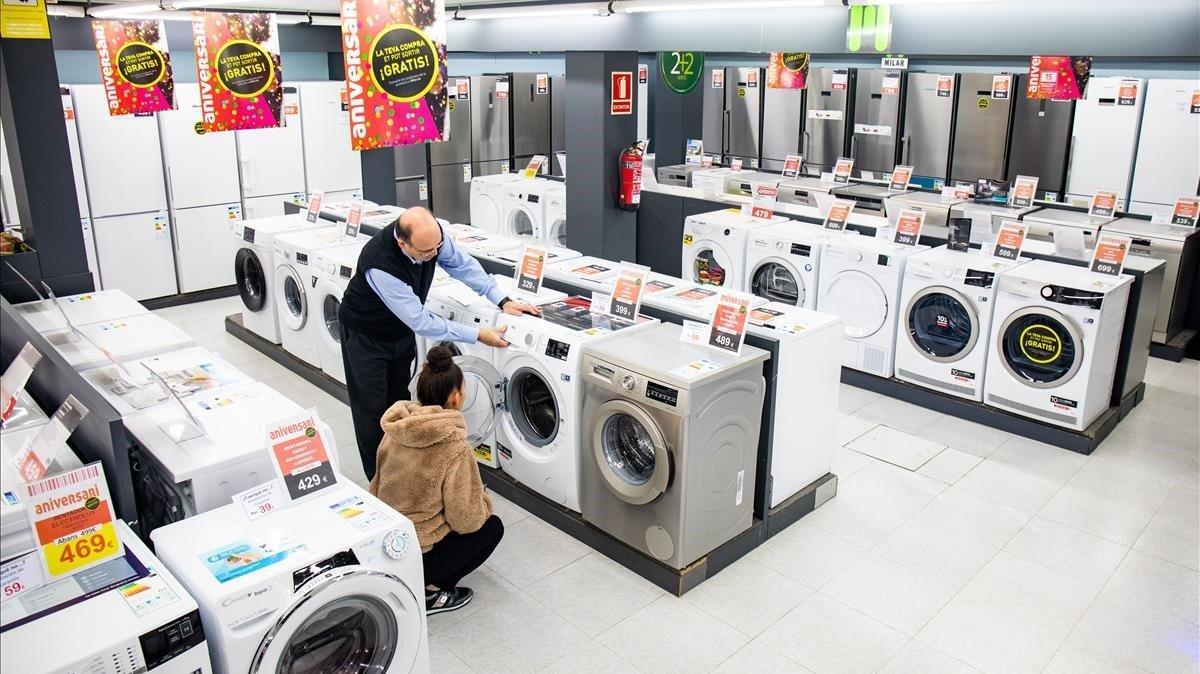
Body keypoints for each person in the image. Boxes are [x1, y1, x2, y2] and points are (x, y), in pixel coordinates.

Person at [337, 206, 540, 480]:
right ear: (402, 243)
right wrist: (477, 334)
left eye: (437, 247)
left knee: (400, 403)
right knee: (372, 411)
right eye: (425, 252)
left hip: (398, 331)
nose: (433, 255)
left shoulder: (432, 239)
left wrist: (502, 300)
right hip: (365, 335)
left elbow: (462, 265)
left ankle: (404, 470)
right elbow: (421, 322)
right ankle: (380, 482)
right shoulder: (380, 264)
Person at [370, 346, 504, 614]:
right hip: (420, 553)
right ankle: (431, 592)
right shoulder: (454, 447)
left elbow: (377, 482)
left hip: (386, 539)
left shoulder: (396, 428)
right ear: (456, 397)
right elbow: (465, 520)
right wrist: (482, 501)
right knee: (492, 528)